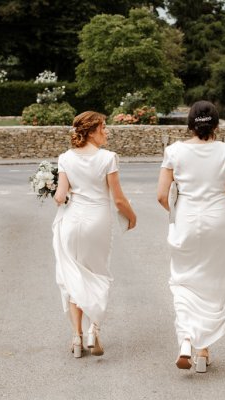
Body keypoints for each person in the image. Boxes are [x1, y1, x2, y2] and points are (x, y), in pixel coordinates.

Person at [156, 101, 225, 373]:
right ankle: (204, 351)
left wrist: (181, 209)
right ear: (216, 125)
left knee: (184, 281)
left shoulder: (174, 151)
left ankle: (186, 340)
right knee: (213, 283)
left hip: (186, 221)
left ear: (190, 125)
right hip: (218, 222)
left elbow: (161, 195)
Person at [52, 111, 136, 358]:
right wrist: (133, 216)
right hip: (97, 221)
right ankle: (94, 330)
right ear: (91, 131)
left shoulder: (65, 158)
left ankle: (76, 338)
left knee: (73, 276)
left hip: (72, 221)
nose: (107, 131)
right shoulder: (108, 158)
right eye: (103, 127)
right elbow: (118, 199)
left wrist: (51, 187)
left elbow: (60, 197)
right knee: (98, 274)